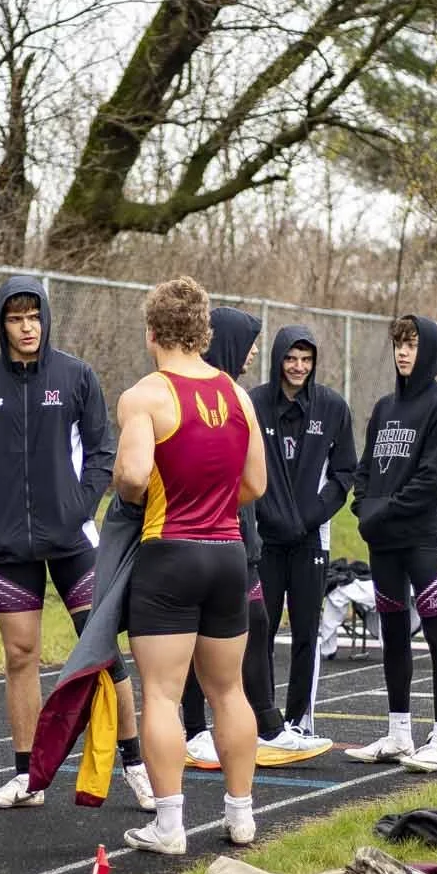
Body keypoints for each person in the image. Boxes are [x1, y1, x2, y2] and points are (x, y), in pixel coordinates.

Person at [0, 277, 150, 812]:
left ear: (45, 319)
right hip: (8, 547)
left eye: (33, 316)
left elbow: (103, 450)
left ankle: (135, 764)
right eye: (15, 318)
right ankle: (27, 777)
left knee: (101, 652)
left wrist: (79, 506)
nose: (26, 326)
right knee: (20, 656)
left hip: (75, 541)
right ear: (2, 324)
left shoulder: (77, 376)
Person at [114, 277, 266, 856]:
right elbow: (256, 484)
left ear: (151, 332)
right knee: (229, 691)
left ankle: (171, 825)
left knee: (162, 694)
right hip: (228, 553)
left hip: (169, 552)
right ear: (203, 331)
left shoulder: (144, 396)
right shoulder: (237, 394)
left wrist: (141, 496)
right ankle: (242, 815)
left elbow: (131, 475)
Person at [182, 308, 326, 763]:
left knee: (257, 624)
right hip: (196, 538)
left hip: (239, 540)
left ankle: (268, 724)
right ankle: (192, 728)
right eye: (250, 344)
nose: (256, 354)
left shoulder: (233, 397)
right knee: (189, 637)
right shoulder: (199, 397)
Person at [344, 315, 437, 769]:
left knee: (436, 630)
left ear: (427, 349)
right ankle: (399, 733)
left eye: (412, 344)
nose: (404, 352)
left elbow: (435, 477)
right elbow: (366, 468)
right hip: (384, 542)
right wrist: (363, 507)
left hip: (421, 540)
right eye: (398, 344)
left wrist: (386, 510)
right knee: (391, 633)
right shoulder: (383, 407)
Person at [248, 325, 358, 746]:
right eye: (291, 358)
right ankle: (261, 720)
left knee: (307, 632)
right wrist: (269, 515)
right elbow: (242, 468)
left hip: (312, 539)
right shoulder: (254, 404)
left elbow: (345, 472)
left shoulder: (331, 407)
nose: (298, 367)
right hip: (265, 539)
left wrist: (310, 515)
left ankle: (299, 721)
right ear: (278, 359)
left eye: (306, 360)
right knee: (261, 628)